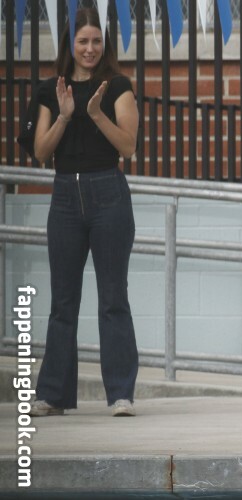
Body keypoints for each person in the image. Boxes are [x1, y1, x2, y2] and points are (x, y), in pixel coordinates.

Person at [29, 8, 140, 417]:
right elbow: (41, 152)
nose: (90, 49)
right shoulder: (50, 89)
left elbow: (128, 146)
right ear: (70, 44)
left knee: (113, 298)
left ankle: (121, 394)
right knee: (63, 301)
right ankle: (53, 395)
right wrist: (64, 115)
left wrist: (95, 114)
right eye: (82, 41)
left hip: (108, 192)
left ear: (103, 44)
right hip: (64, 197)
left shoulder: (118, 86)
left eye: (96, 41)